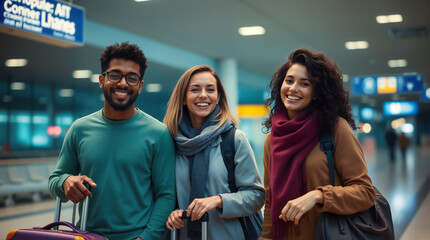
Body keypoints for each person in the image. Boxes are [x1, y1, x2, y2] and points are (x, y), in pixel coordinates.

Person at [48, 42, 176, 240]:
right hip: (89, 236)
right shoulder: (79, 129)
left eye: (132, 78)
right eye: (115, 75)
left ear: (140, 86)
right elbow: (54, 180)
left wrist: (147, 237)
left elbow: (166, 195)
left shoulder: (158, 134)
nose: (123, 83)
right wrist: (66, 181)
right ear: (101, 80)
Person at [259, 49, 376, 239]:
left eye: (304, 84)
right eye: (289, 81)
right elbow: (270, 199)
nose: (293, 89)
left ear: (316, 93)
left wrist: (319, 196)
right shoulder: (271, 140)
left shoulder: (336, 129)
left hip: (326, 234)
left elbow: (365, 193)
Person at [163, 65, 265, 239]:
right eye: (195, 89)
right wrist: (172, 212)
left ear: (218, 97)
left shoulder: (234, 139)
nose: (203, 95)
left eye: (210, 89)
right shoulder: (170, 142)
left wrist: (218, 200)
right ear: (183, 98)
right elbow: (165, 194)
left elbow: (256, 195)